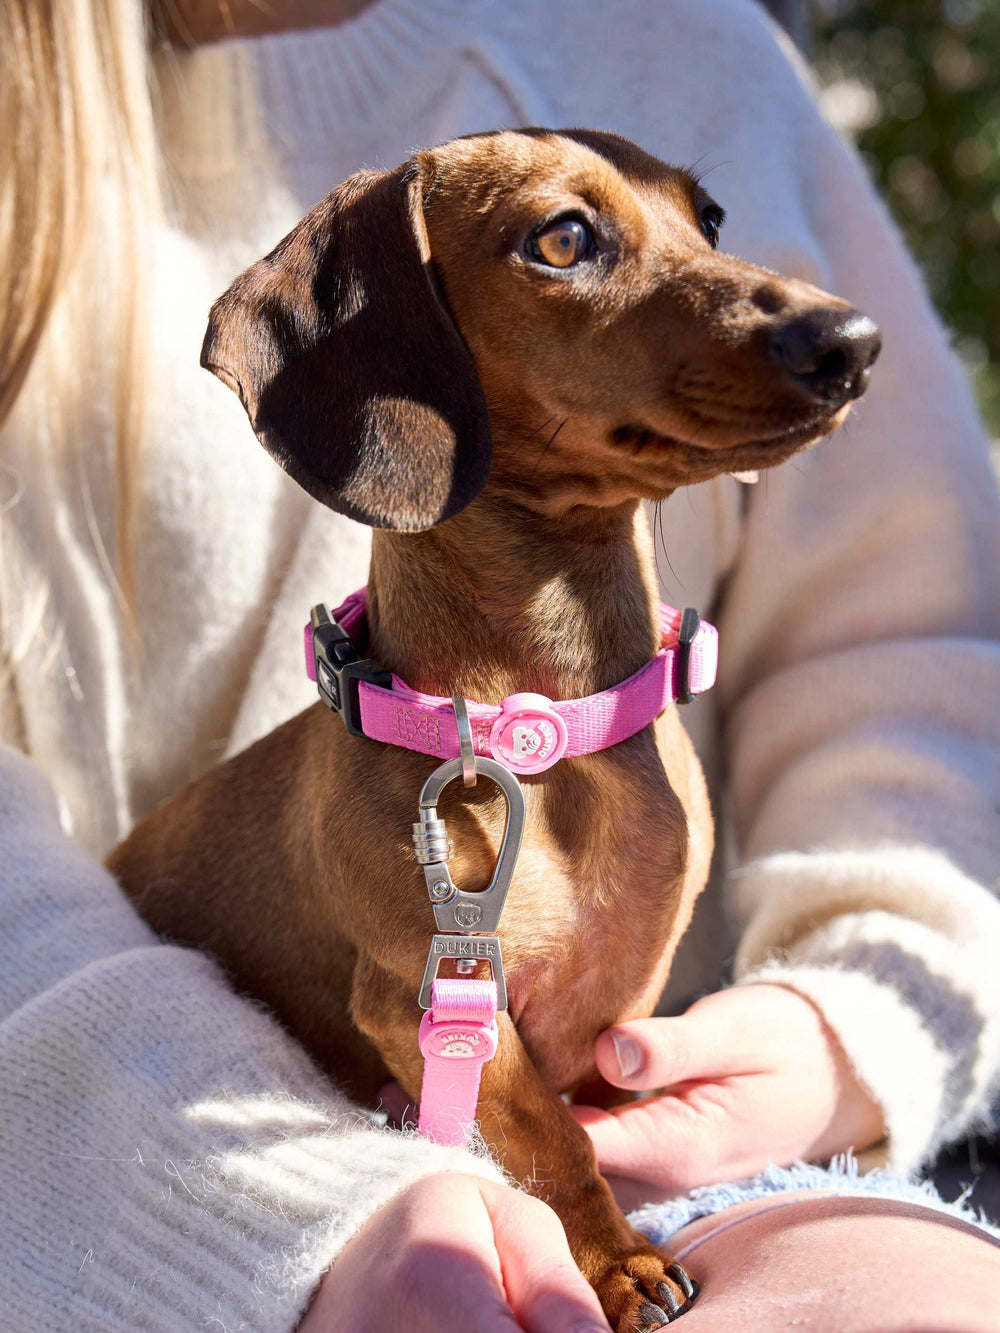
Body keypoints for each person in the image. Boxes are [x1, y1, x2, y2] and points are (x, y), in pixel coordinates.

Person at [2, 1, 998, 1329]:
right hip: (125, 1175)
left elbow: (924, 635)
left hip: (692, 1144)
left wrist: (853, 1020)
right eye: (570, 244)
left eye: (697, 224)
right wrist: (284, 1213)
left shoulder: (690, 47)